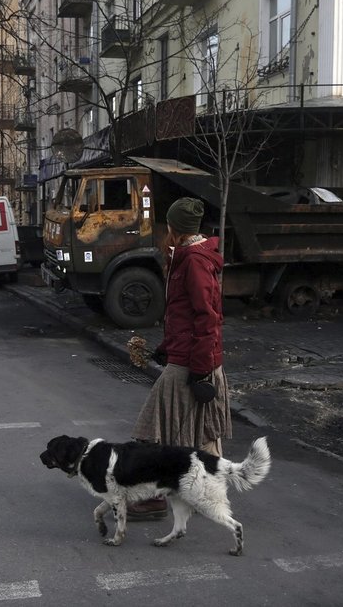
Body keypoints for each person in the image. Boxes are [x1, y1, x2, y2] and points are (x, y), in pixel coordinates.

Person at [128, 197, 231, 519]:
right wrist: (167, 347)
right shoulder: (186, 257)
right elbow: (185, 316)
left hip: (192, 362)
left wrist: (200, 371)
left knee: (152, 428)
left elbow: (207, 317)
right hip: (189, 356)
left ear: (174, 228)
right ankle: (205, 491)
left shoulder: (194, 261)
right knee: (199, 430)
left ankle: (154, 496)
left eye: (166, 225)